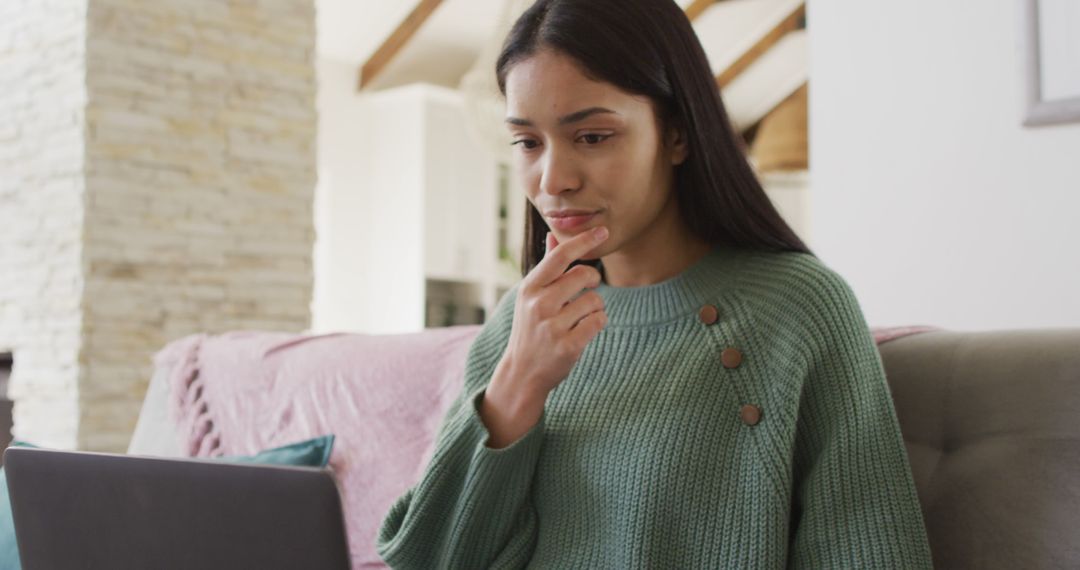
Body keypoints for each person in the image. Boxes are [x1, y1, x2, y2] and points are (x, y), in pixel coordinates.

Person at [376, 0, 934, 567]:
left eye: (592, 137)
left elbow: (868, 549)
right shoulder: (520, 323)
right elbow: (429, 560)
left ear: (677, 134)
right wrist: (518, 383)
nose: (553, 180)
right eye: (527, 142)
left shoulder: (797, 307)